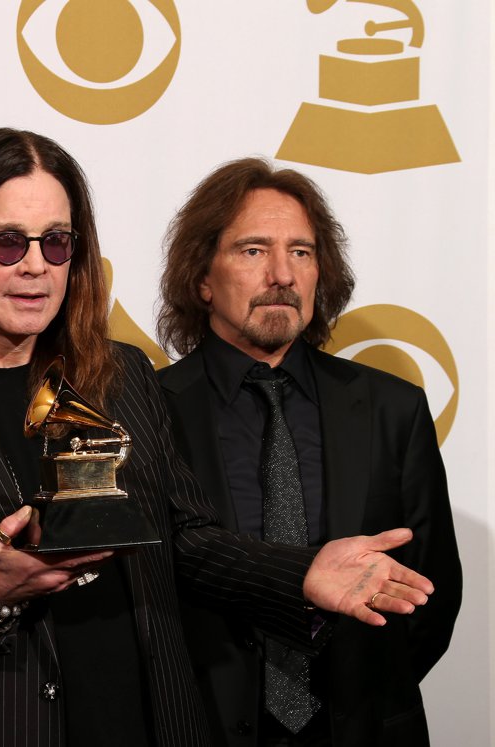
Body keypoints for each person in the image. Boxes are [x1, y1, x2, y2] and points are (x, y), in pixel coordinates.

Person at [0, 129, 436, 747]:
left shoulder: (124, 375)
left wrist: (299, 572)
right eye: (8, 243)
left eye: (56, 243)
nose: (36, 265)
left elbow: (186, 539)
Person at [156, 157, 461, 746]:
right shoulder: (150, 410)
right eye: (252, 251)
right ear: (201, 277)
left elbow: (431, 594)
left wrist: (358, 703)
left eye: (301, 252)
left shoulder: (391, 409)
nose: (281, 275)